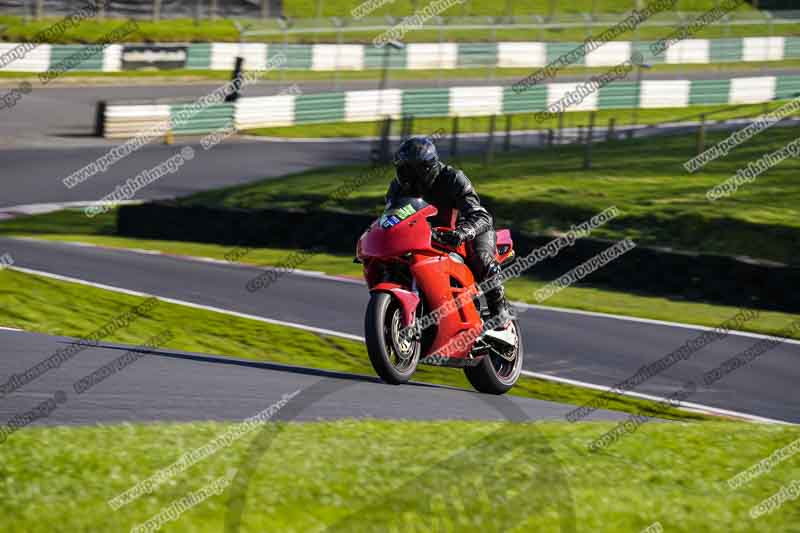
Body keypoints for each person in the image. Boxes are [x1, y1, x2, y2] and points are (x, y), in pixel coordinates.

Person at [386, 136, 513, 328]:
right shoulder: (397, 188)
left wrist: (463, 232)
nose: (407, 177)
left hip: (466, 232)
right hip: (428, 237)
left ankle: (499, 309)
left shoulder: (453, 178)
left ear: (426, 168)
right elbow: (390, 218)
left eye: (411, 171)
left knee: (481, 257)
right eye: (403, 170)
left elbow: (481, 215)